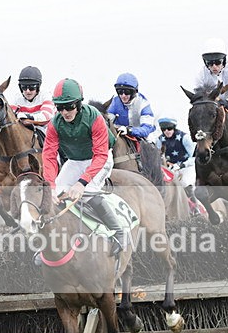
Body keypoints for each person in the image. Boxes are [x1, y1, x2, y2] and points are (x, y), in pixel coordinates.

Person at [42, 78, 127, 256]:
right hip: (75, 161)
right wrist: (50, 184)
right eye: (60, 107)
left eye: (70, 106)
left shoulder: (94, 117)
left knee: (87, 192)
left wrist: (82, 183)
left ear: (79, 103)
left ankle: (119, 232)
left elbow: (101, 155)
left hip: (100, 158)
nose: (65, 112)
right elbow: (49, 156)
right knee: (55, 195)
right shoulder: (54, 124)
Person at [156, 117, 201, 214]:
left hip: (187, 167)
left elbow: (195, 157)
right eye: (164, 129)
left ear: (174, 128)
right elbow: (158, 155)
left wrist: (181, 165)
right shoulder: (160, 140)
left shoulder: (185, 138)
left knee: (185, 183)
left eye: (169, 129)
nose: (167, 131)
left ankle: (195, 209)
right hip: (170, 169)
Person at [106, 73, 157, 141]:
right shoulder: (114, 102)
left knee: (150, 140)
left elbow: (147, 128)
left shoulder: (143, 103)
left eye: (127, 92)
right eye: (120, 92)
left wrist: (129, 130)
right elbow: (107, 121)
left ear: (134, 92)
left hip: (142, 136)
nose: (123, 95)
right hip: (120, 134)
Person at [10, 66, 56, 138]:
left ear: (38, 87)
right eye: (24, 87)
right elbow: (11, 116)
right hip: (26, 132)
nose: (27, 91)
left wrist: (27, 117)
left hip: (46, 132)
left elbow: (46, 116)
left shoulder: (46, 95)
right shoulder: (17, 98)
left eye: (32, 87)